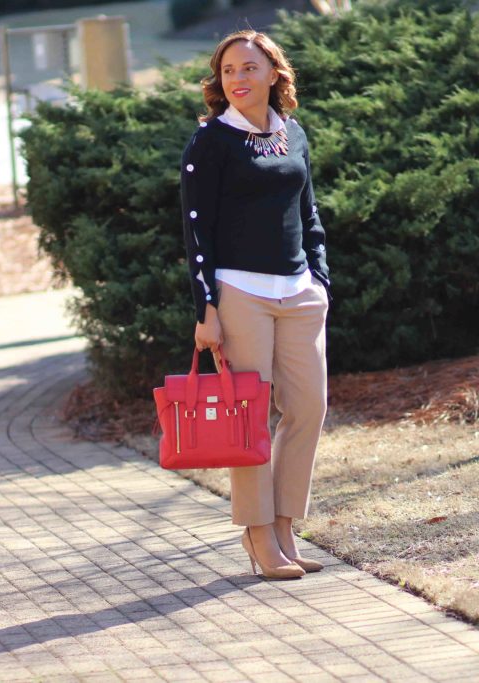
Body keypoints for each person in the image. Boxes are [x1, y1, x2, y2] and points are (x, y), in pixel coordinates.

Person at [180, 30, 332, 580]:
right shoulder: (210, 142)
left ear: (274, 73)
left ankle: (287, 524)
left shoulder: (293, 134)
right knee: (250, 419)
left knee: (308, 407)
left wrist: (321, 281)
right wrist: (207, 309)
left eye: (248, 68)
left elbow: (309, 214)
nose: (238, 80)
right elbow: (196, 231)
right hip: (240, 294)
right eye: (228, 72)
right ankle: (258, 534)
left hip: (298, 294)